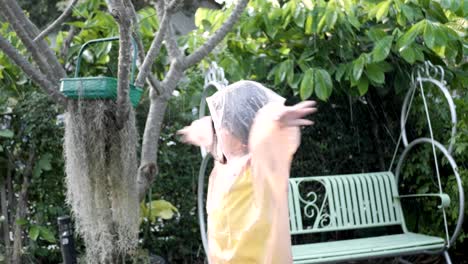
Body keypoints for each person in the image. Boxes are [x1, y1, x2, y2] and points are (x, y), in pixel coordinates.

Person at [178, 80, 317, 263]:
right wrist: (191, 132)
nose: (219, 131)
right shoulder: (222, 163)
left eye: (223, 127)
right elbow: (205, 131)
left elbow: (265, 129)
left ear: (238, 129)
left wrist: (277, 120)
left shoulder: (261, 166)